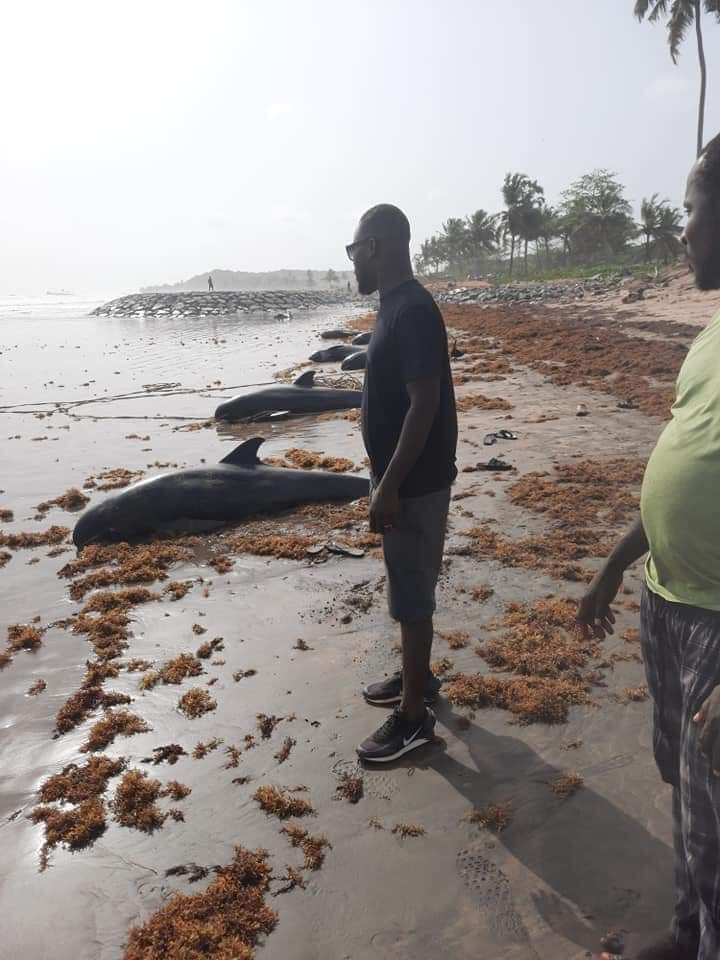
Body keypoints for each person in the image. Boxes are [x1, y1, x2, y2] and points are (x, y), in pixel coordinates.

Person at [577, 133, 720, 960]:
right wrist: (612, 568)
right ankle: (686, 933)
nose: (682, 233)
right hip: (667, 602)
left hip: (717, 627)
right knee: (688, 804)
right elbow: (684, 469)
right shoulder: (706, 337)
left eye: (692, 211)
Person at [346, 203, 457, 762]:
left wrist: (388, 484)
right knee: (407, 588)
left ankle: (414, 718)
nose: (352, 261)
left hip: (414, 482)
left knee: (413, 595)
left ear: (380, 246)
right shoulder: (392, 305)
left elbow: (424, 405)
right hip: (402, 479)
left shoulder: (412, 308)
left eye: (354, 249)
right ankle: (421, 680)